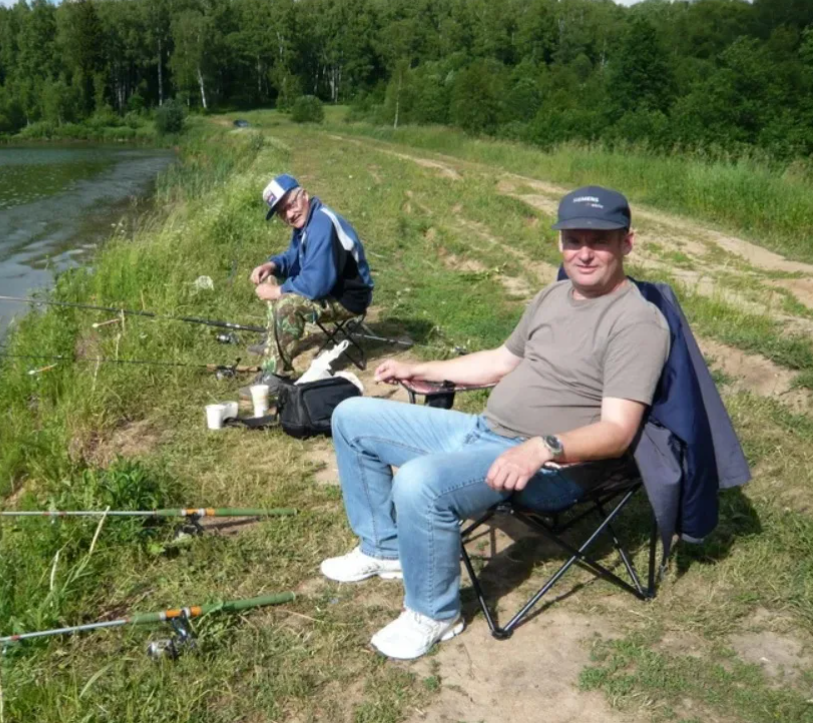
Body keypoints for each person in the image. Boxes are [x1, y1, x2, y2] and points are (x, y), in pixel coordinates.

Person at [321, 186, 671, 660]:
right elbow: (501, 361)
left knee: (422, 483)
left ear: (626, 243)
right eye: (573, 239)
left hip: (549, 467)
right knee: (351, 416)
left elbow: (618, 431)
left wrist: (541, 447)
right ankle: (384, 550)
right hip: (482, 432)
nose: (584, 253)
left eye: (600, 240)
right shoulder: (552, 296)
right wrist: (425, 368)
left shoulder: (637, 323)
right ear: (560, 242)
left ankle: (435, 613)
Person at [247, 174, 373, 392]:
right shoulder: (306, 222)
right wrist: (272, 265)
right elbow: (294, 258)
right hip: (330, 287)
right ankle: (274, 342)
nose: (289, 214)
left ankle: (277, 376)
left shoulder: (322, 224)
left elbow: (315, 285)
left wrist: (277, 291)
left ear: (304, 195)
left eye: (291, 205)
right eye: (282, 212)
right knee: (273, 279)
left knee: (287, 303)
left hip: (348, 298)